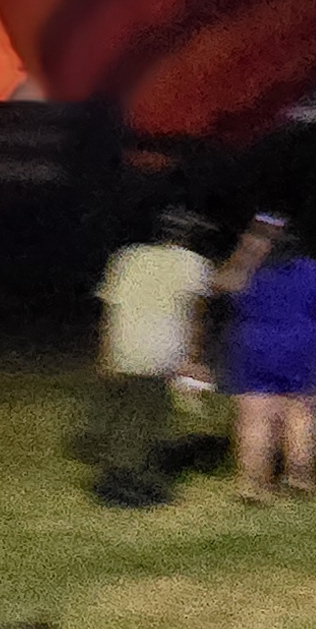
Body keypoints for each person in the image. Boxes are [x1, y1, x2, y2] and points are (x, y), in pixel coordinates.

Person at [90, 210, 212, 507]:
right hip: (160, 350)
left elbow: (111, 309)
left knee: (127, 414)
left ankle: (119, 472)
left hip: (125, 346)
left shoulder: (127, 257)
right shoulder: (194, 264)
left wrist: (105, 353)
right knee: (149, 419)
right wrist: (192, 360)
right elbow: (194, 318)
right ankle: (128, 482)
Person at [218, 213, 316, 500]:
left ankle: (254, 484)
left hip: (256, 344)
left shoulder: (247, 273)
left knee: (255, 417)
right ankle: (300, 478)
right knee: (301, 412)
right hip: (303, 344)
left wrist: (244, 251)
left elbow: (219, 285)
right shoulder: (315, 270)